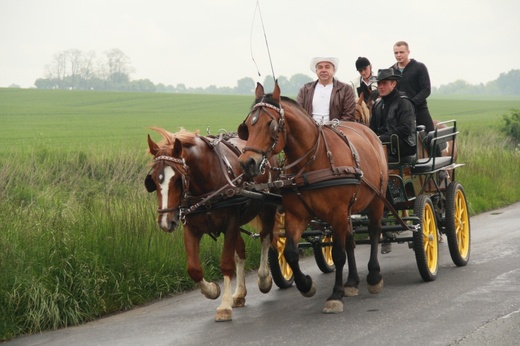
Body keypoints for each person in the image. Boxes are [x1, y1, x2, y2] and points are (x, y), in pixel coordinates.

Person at [370, 68, 417, 159]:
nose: (381, 87)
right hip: (381, 143)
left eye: (385, 83)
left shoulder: (403, 102)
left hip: (402, 145)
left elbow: (405, 129)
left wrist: (380, 138)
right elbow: (372, 129)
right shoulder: (377, 104)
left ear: (394, 84)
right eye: (379, 83)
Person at [391, 41, 435, 134]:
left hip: (419, 109)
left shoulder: (419, 67)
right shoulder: (391, 71)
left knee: (430, 137)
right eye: (396, 53)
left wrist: (411, 103)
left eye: (401, 52)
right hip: (398, 113)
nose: (398, 55)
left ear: (408, 52)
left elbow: (426, 89)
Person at [297, 57, 356, 124]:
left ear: (334, 70)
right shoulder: (305, 89)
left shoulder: (345, 89)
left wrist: (335, 128)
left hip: (336, 131)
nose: (323, 70)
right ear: (316, 71)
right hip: (310, 130)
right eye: (320, 67)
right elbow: (298, 112)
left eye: (327, 67)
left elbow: (349, 115)